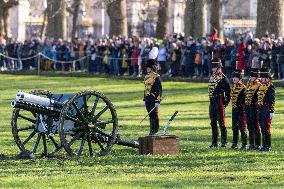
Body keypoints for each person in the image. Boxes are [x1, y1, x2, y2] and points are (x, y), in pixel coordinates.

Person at [208, 58, 231, 147]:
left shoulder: (223, 78)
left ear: (219, 67)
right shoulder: (212, 77)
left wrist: (225, 103)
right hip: (212, 102)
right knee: (213, 122)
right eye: (212, 68)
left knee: (221, 123)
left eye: (215, 68)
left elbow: (228, 92)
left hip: (219, 102)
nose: (213, 69)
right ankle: (214, 142)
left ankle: (223, 142)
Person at [143, 47, 162, 135]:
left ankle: (155, 129)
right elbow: (145, 88)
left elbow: (159, 90)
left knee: (154, 114)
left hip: (153, 98)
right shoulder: (146, 76)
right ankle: (152, 130)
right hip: (147, 99)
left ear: (152, 68)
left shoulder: (156, 77)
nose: (147, 69)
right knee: (150, 115)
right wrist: (144, 98)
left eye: (149, 68)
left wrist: (158, 100)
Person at [258, 68, 275, 151]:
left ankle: (268, 145)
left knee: (266, 127)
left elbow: (272, 99)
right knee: (262, 127)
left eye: (263, 77)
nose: (261, 79)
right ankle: (263, 144)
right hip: (261, 108)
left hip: (266, 108)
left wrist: (271, 111)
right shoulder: (261, 86)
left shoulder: (270, 86)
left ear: (267, 78)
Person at [245, 68, 262, 150]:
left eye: (252, 76)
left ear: (256, 77)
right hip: (248, 107)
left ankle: (258, 144)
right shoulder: (249, 84)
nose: (251, 78)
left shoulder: (259, 85)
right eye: (250, 76)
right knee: (249, 126)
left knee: (256, 126)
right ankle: (251, 143)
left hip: (254, 108)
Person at [230, 70, 247, 150]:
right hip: (234, 109)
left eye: (236, 77)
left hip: (241, 110)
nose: (234, 79)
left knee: (242, 127)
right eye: (233, 77)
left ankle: (244, 144)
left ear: (240, 79)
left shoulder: (243, 88)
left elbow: (244, 100)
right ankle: (234, 144)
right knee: (234, 127)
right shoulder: (233, 87)